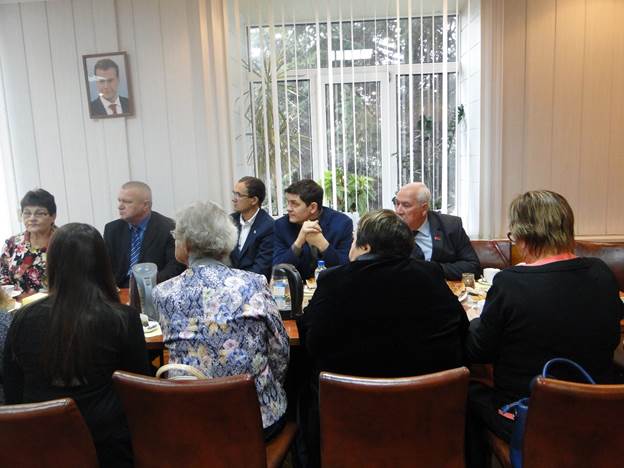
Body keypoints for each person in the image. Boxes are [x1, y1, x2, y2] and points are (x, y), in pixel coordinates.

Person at [297, 209, 469, 467]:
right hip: (423, 414)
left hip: (348, 416)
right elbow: (461, 330)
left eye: (354, 240)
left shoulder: (334, 280)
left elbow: (310, 339)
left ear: (366, 246)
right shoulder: (430, 274)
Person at [464, 190, 624, 468]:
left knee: (467, 393)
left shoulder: (510, 282)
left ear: (523, 235)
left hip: (527, 416)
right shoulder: (601, 273)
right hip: (597, 412)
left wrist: (475, 321)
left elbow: (478, 351)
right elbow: (611, 337)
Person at [3, 223, 150, 467]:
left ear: (52, 264)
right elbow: (137, 391)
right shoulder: (122, 318)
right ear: (103, 264)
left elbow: (13, 388)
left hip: (39, 443)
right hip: (105, 446)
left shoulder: (23, 318)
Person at [152, 201, 289, 440]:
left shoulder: (163, 293)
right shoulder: (254, 283)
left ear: (186, 245)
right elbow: (280, 349)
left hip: (189, 417)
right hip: (253, 419)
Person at [103, 181, 185, 288]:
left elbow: (175, 267)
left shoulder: (168, 228)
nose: (120, 206)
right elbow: (105, 267)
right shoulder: (112, 229)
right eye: (119, 201)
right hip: (119, 290)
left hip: (155, 288)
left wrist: (147, 286)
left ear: (145, 205)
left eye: (127, 202)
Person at [394, 181, 481, 280]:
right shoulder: (390, 230)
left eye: (406, 205)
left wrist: (433, 270)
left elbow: (473, 266)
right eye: (397, 203)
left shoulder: (450, 226)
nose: (398, 211)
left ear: (424, 208)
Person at [273, 179, 352, 279]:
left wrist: (323, 245)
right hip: (296, 286)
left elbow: (346, 269)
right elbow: (278, 270)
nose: (288, 208)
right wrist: (298, 242)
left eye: (294, 203)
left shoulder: (342, 224)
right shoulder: (281, 225)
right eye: (288, 202)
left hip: (331, 286)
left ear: (313, 207)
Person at [1, 189, 57, 294]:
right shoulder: (12, 243)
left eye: (39, 213)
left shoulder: (64, 242)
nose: (32, 218)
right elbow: (3, 278)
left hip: (56, 302)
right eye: (27, 213)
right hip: (16, 303)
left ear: (53, 216)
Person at [229, 176, 274, 280]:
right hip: (229, 282)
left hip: (253, 283)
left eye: (239, 195)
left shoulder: (268, 226)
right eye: (234, 193)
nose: (234, 199)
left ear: (254, 200)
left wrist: (238, 282)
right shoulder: (230, 220)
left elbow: (261, 268)